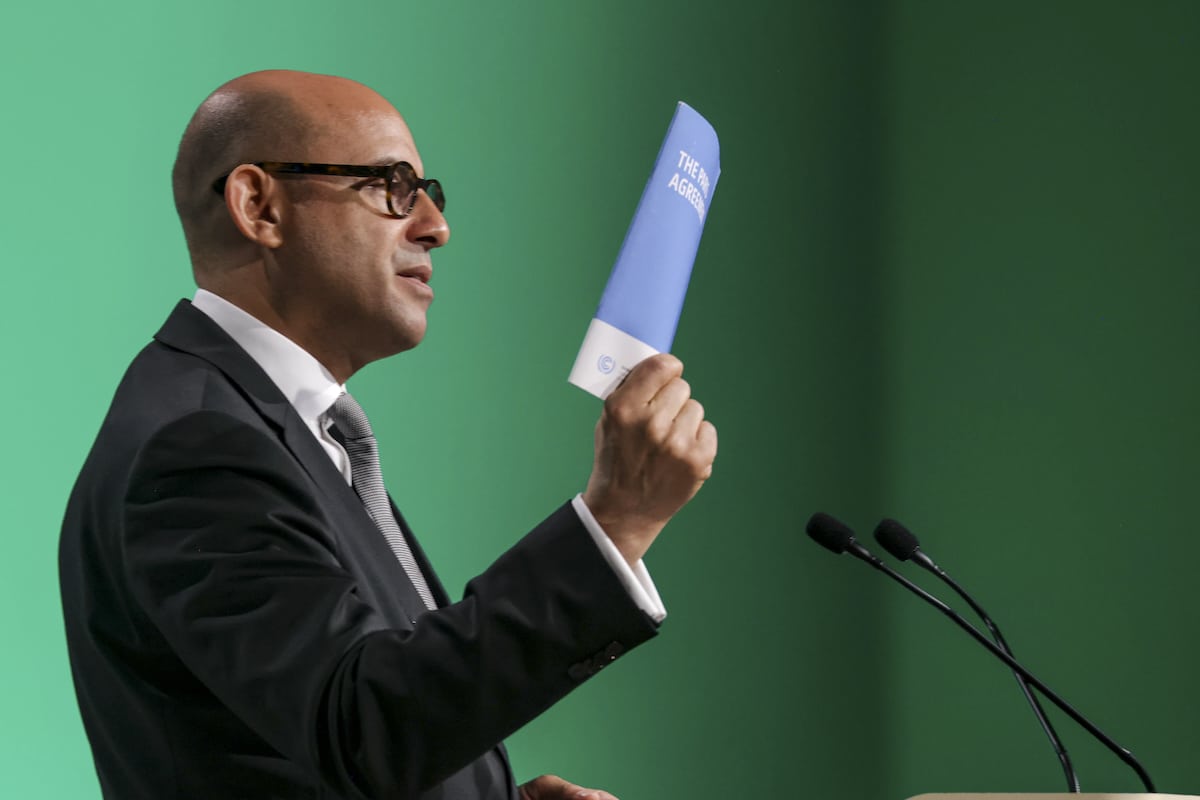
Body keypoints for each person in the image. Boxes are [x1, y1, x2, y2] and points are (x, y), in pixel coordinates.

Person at [58, 70, 717, 800]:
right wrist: (615, 523)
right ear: (259, 206)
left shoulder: (275, 426)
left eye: (428, 191)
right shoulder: (199, 447)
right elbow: (361, 724)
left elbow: (347, 725)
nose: (435, 225)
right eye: (392, 186)